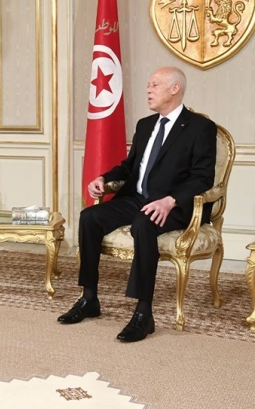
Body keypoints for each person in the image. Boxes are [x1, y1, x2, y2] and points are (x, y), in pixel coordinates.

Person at [58, 66, 217, 342]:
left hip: (174, 205)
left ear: (175, 88)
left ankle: (144, 313)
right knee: (89, 217)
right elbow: (129, 167)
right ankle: (89, 298)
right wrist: (104, 178)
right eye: (148, 85)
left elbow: (203, 177)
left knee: (144, 223)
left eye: (155, 85)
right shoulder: (145, 125)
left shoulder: (200, 128)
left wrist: (170, 200)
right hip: (137, 198)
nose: (148, 90)